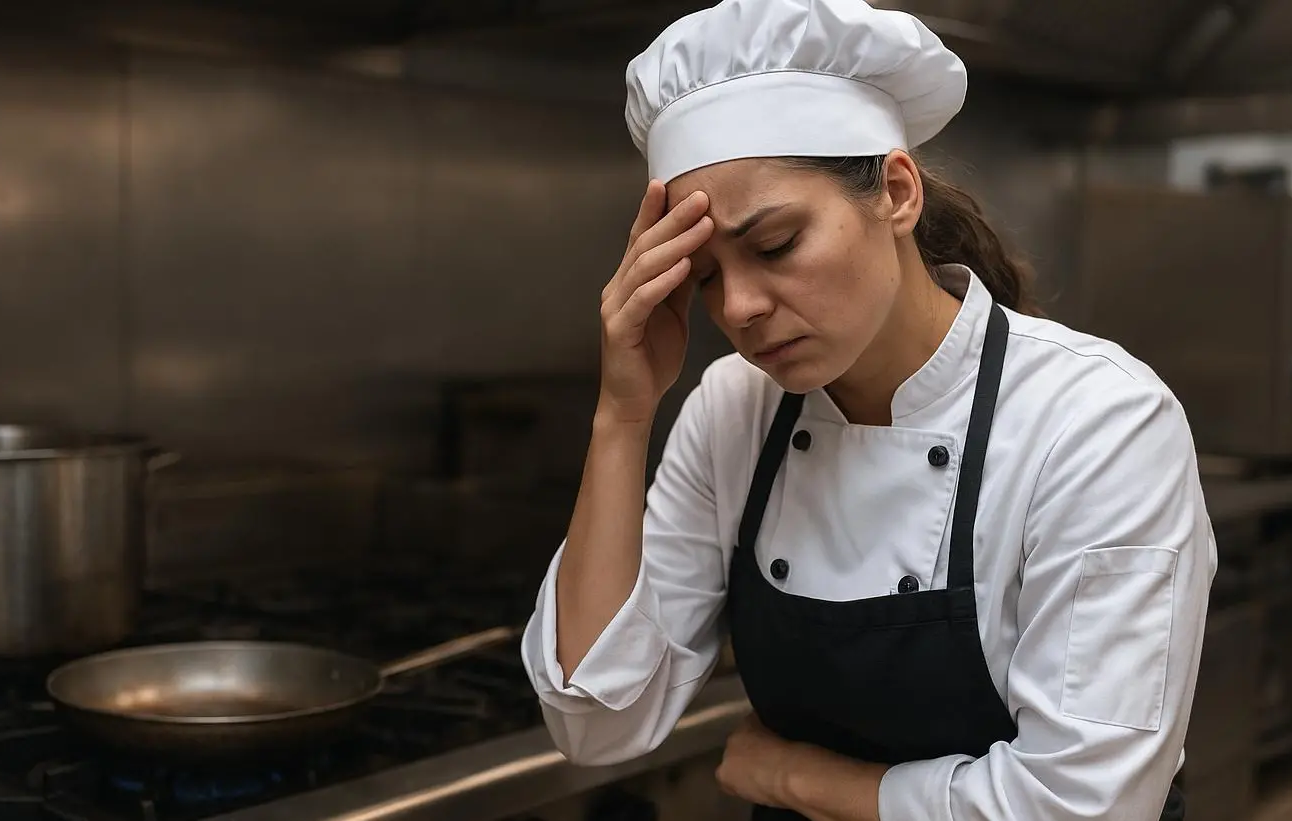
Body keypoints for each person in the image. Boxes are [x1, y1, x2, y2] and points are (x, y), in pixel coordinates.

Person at [519, 1, 1218, 819]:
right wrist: (621, 416)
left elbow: (1086, 806)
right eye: (703, 276)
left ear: (896, 191)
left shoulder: (1097, 422)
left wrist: (800, 780)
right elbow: (599, 722)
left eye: (775, 245)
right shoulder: (733, 411)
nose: (738, 308)